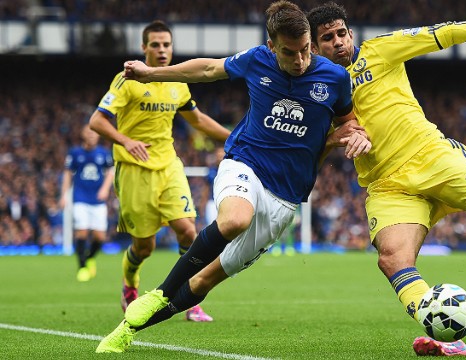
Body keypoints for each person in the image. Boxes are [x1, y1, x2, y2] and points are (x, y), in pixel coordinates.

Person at [95, 1, 371, 353]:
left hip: (285, 197)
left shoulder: (334, 78)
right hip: (245, 163)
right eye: (289, 53)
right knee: (234, 220)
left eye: (305, 50)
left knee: (204, 279)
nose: (300, 60)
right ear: (272, 47)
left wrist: (353, 133)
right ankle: (159, 293)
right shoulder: (257, 59)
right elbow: (209, 69)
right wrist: (150, 74)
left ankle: (126, 330)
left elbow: (348, 120)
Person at [306, 3, 466, 356]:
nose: (337, 42)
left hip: (432, 158)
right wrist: (335, 138)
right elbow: (310, 145)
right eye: (327, 38)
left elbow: (451, 31)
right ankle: (446, 337)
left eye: (341, 33)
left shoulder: (383, 48)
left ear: (351, 33)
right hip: (387, 185)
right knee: (392, 259)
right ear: (314, 48)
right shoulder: (311, 88)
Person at [89, 20, 230, 322]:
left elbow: (199, 121)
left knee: (189, 232)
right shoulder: (127, 81)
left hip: (168, 165)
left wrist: (233, 137)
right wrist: (126, 141)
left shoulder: (178, 83)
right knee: (144, 246)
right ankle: (130, 284)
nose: (162, 50)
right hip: (134, 170)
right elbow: (97, 121)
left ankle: (188, 298)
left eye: (166, 44)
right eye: (155, 44)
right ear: (144, 48)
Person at [59, 124, 114, 282]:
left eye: (94, 132)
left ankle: (89, 257)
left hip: (97, 200)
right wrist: (64, 195)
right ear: (83, 134)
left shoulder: (103, 153)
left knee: (100, 237)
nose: (91, 135)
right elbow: (68, 174)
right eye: (88, 132)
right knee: (81, 232)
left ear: (98, 135)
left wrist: (105, 189)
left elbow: (110, 172)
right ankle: (82, 267)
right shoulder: (75, 153)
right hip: (80, 198)